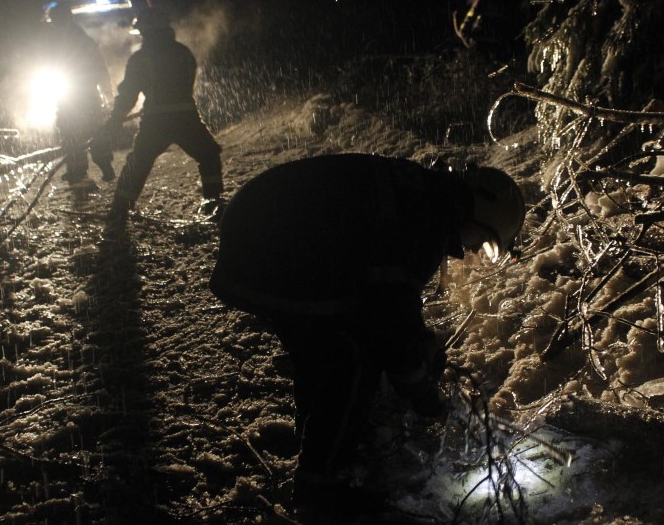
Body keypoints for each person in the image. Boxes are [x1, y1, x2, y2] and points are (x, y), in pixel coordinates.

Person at [208, 153, 525, 512]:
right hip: (267, 255)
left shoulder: (428, 196)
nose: (471, 250)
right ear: (477, 213)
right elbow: (390, 320)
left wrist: (417, 342)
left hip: (262, 237)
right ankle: (320, 490)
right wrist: (422, 393)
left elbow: (389, 290)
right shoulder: (427, 220)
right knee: (353, 362)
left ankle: (321, 439)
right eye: (483, 242)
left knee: (326, 347)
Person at [101, 5, 224, 233]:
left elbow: (129, 95)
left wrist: (115, 118)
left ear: (147, 31)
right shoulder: (183, 52)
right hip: (187, 118)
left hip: (156, 121)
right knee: (209, 155)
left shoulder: (141, 58)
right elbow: (187, 85)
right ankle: (213, 204)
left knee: (138, 163)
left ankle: (119, 212)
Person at [46, 4, 115, 185]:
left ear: (66, 19)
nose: (54, 24)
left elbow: (99, 66)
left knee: (93, 130)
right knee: (69, 132)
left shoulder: (83, 40)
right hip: (68, 94)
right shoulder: (54, 42)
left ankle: (105, 165)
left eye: (56, 21)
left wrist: (106, 89)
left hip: (85, 93)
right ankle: (76, 170)